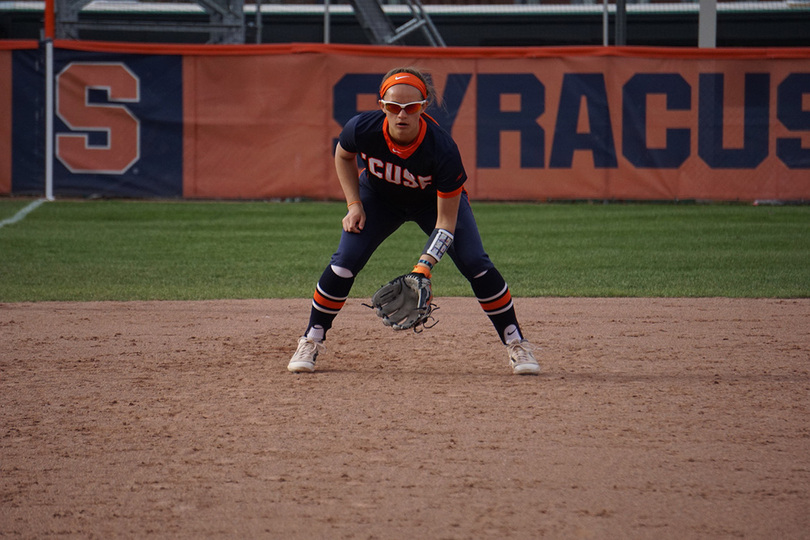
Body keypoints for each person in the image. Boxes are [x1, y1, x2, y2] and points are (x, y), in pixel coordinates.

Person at [287, 67, 539, 375]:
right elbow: (343, 155)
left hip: (431, 203)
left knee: (477, 263)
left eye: (411, 108)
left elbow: (445, 223)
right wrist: (354, 204)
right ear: (382, 106)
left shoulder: (442, 149)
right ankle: (311, 339)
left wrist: (424, 266)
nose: (401, 114)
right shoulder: (363, 128)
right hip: (379, 198)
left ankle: (516, 343)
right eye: (393, 107)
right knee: (343, 263)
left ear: (423, 106)